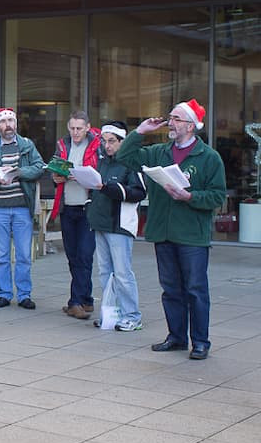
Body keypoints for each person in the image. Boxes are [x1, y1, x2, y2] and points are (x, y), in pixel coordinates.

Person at [116, 99, 225, 359]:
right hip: (163, 232)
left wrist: (190, 197)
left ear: (190, 125)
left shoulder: (209, 157)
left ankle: (200, 342)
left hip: (191, 235)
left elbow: (217, 196)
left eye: (176, 119)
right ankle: (176, 337)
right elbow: (124, 157)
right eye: (171, 117)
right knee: (171, 289)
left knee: (195, 289)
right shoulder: (159, 151)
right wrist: (140, 132)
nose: (170, 123)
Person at [0, 107, 45, 310]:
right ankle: (4, 294)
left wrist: (19, 172)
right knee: (2, 256)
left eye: (11, 121)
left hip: (22, 207)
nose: (9, 125)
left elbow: (39, 167)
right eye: (4, 122)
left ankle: (24, 295)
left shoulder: (26, 145)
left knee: (24, 254)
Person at [87, 121, 147, 332]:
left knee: (122, 273)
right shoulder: (103, 162)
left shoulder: (131, 162)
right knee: (105, 272)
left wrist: (111, 189)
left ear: (123, 142)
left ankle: (132, 316)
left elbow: (140, 192)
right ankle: (111, 314)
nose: (107, 145)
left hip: (119, 225)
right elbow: (97, 188)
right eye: (104, 141)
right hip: (101, 222)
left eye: (112, 141)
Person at [48, 111, 101, 320]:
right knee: (73, 255)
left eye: (79, 128)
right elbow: (55, 171)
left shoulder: (97, 146)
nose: (75, 132)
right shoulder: (63, 145)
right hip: (68, 206)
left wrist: (81, 175)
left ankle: (75, 302)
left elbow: (99, 175)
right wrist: (56, 178)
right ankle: (86, 298)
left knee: (85, 255)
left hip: (88, 206)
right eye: (72, 128)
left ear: (88, 127)